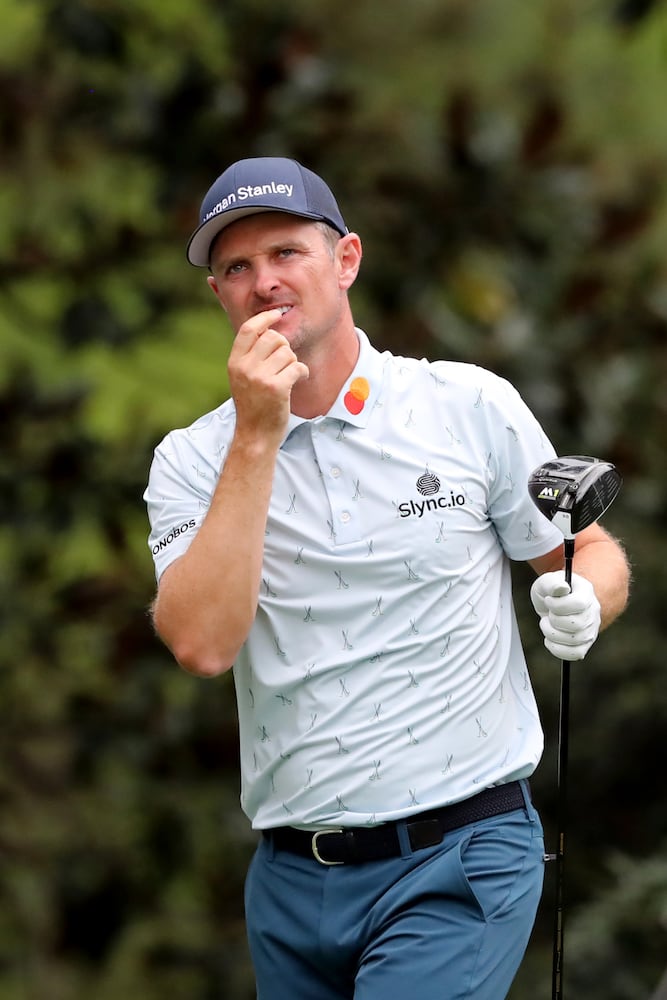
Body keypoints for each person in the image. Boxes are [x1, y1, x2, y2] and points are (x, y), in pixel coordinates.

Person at [144, 157, 630, 999]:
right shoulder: (192, 460)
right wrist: (257, 436)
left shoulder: (464, 406)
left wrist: (586, 597)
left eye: (286, 253)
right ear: (218, 294)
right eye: (235, 267)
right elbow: (200, 642)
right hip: (291, 880)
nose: (264, 282)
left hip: (459, 855)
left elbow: (588, 550)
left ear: (346, 260)